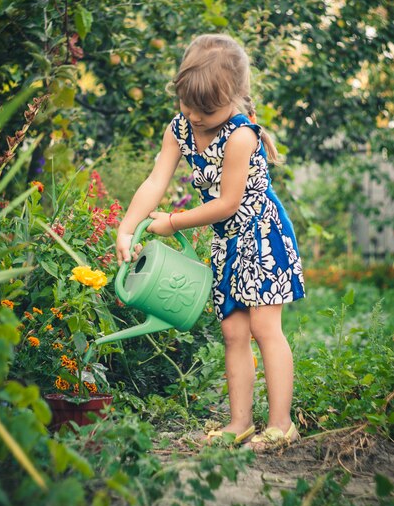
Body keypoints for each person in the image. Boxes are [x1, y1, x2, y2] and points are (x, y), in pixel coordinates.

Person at [116, 34, 306, 451]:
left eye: (208, 110)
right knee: (233, 331)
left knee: (263, 327)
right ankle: (239, 423)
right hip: (229, 244)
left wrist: (174, 221)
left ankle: (281, 424)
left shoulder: (241, 136)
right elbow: (155, 180)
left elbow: (226, 203)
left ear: (234, 97)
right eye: (189, 106)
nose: (197, 117)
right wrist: (127, 227)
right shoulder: (179, 129)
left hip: (261, 235)